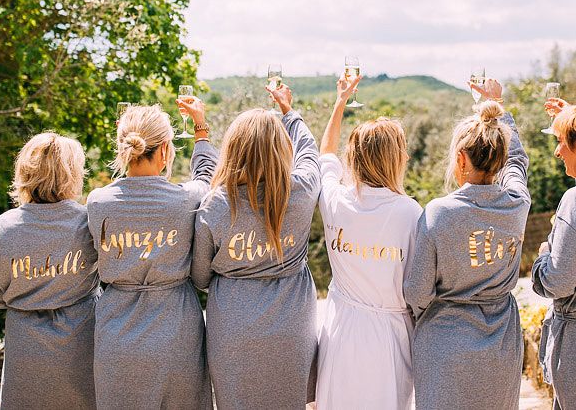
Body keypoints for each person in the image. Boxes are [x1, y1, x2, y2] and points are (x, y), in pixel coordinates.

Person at [191, 83, 321, 410]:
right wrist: (289, 112)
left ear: (232, 150)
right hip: (292, 324)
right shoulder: (301, 191)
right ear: (281, 149)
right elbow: (310, 151)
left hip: (233, 326)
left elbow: (200, 277)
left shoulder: (216, 205)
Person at [404, 78, 530, 410]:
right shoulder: (517, 203)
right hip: (501, 342)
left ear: (461, 159)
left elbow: (417, 293)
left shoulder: (438, 213)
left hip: (444, 344)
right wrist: (500, 112)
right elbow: (518, 163)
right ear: (500, 158)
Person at [86, 100, 215, 410]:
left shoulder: (98, 203)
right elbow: (207, 175)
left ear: (123, 149)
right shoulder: (186, 199)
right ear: (165, 151)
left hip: (116, 333)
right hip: (177, 331)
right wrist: (201, 127)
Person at [316, 75, 422, 410]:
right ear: (395, 159)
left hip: (341, 331)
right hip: (391, 336)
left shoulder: (335, 200)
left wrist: (340, 102)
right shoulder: (411, 213)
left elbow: (325, 154)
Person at [0, 132, 100, 410]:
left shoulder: (4, 227)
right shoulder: (87, 222)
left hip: (25, 351)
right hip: (80, 348)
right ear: (72, 173)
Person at [532, 99, 576, 410]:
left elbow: (558, 281)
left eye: (561, 142)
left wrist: (542, 257)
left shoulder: (573, 202)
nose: (556, 152)